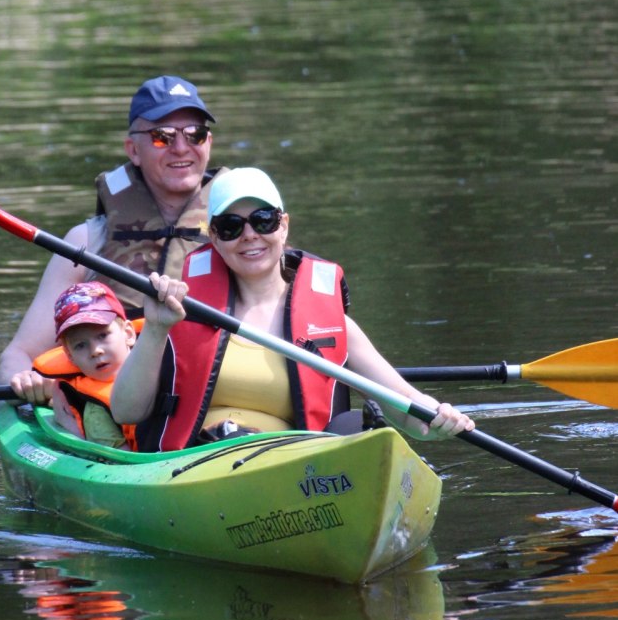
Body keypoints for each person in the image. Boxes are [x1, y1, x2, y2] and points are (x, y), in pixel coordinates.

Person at [110, 167, 475, 450]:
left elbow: (406, 406)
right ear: (215, 239)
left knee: (358, 429)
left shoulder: (334, 324)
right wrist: (156, 330)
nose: (250, 235)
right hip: (199, 464)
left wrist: (436, 419)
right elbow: (126, 411)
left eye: (263, 220)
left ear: (283, 226)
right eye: (232, 226)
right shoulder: (180, 312)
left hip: (297, 473)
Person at [0, 74, 224, 402]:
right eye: (162, 137)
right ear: (133, 149)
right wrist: (23, 383)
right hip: (110, 404)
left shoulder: (243, 234)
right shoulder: (85, 242)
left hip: (208, 400)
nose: (181, 148)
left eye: (195, 135)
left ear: (209, 143)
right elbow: (18, 353)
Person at [32, 281, 138, 447]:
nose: (95, 350)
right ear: (70, 357)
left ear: (128, 333)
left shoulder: (163, 357)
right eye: (80, 345)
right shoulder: (96, 411)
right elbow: (121, 462)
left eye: (103, 336)